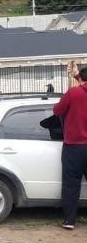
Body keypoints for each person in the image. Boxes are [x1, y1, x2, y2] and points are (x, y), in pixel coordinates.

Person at [52, 65, 87, 230]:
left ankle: (69, 221)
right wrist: (77, 76)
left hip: (74, 147)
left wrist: (76, 78)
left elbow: (57, 110)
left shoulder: (74, 93)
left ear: (80, 77)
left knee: (71, 184)